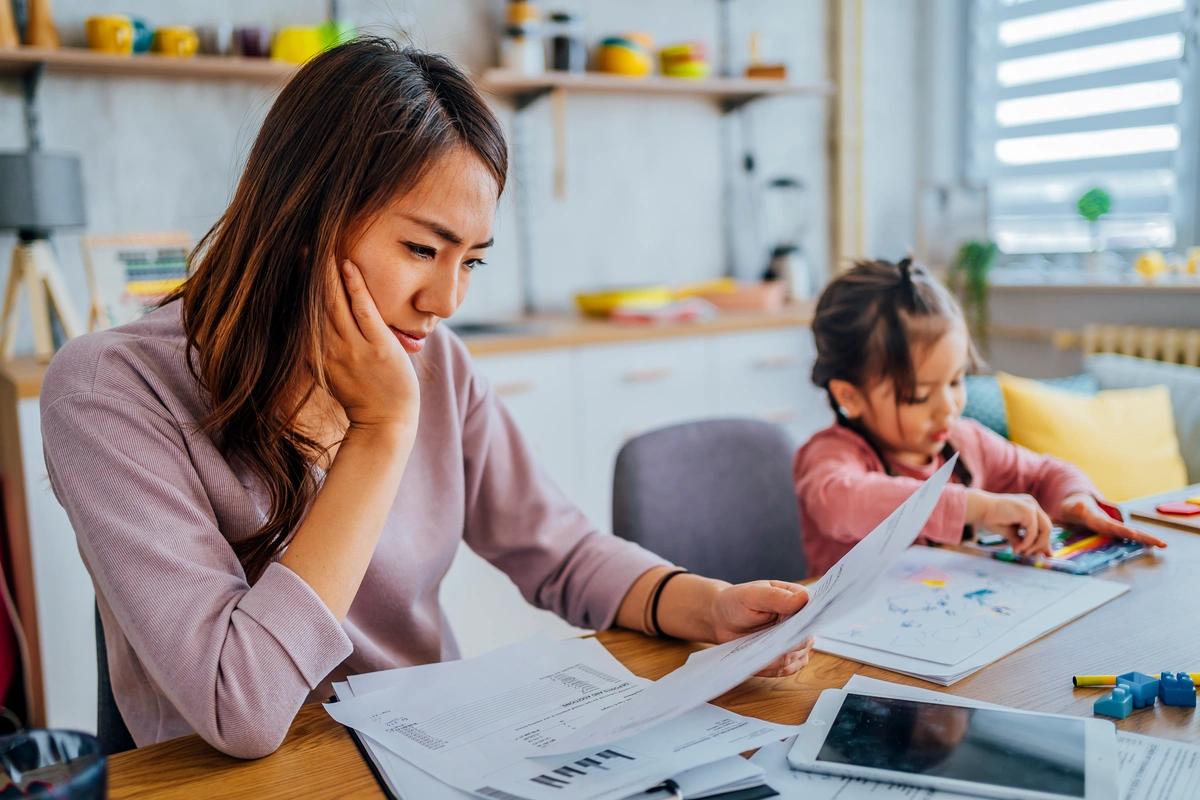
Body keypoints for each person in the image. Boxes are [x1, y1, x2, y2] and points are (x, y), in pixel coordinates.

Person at [40, 40, 813, 759]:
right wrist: (380, 432)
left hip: (433, 755)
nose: (444, 299)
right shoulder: (111, 391)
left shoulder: (437, 360)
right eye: (420, 249)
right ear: (306, 220)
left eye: (471, 260)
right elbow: (240, 706)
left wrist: (709, 607)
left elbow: (563, 552)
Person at [794, 257, 1166, 577]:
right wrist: (978, 506)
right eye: (918, 395)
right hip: (844, 649)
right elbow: (843, 502)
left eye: (956, 381)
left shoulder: (965, 441)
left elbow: (1047, 472)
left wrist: (1075, 500)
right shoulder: (829, 456)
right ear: (849, 396)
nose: (948, 407)